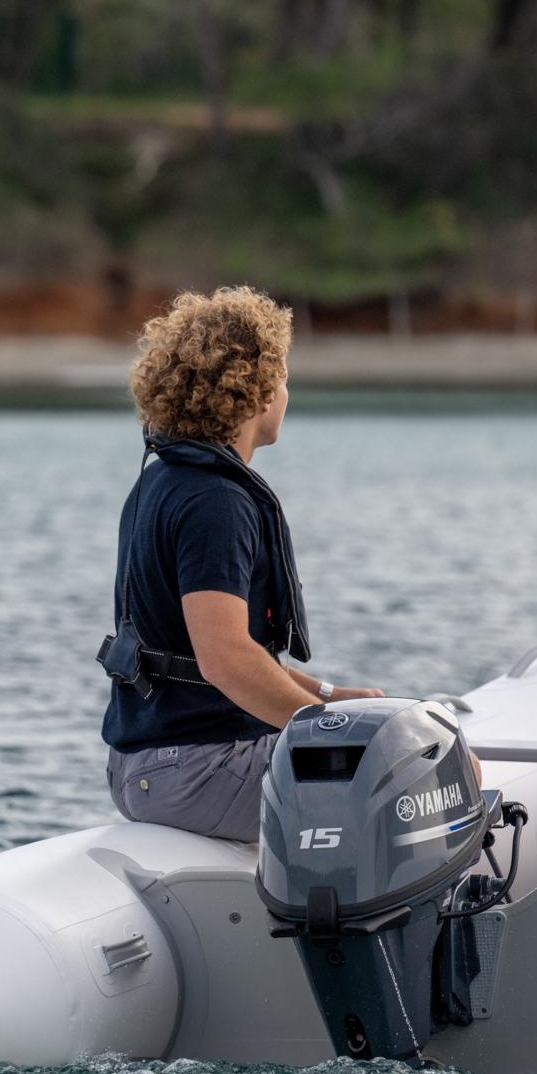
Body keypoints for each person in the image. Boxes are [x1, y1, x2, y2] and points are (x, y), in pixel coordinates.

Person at [98, 286, 380, 840]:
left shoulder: (164, 480)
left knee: (385, 741)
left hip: (144, 766)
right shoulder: (217, 501)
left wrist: (327, 695)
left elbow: (202, 653)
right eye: (284, 375)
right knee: (427, 772)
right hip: (197, 770)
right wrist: (324, 730)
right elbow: (223, 659)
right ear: (256, 392)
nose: (287, 389)